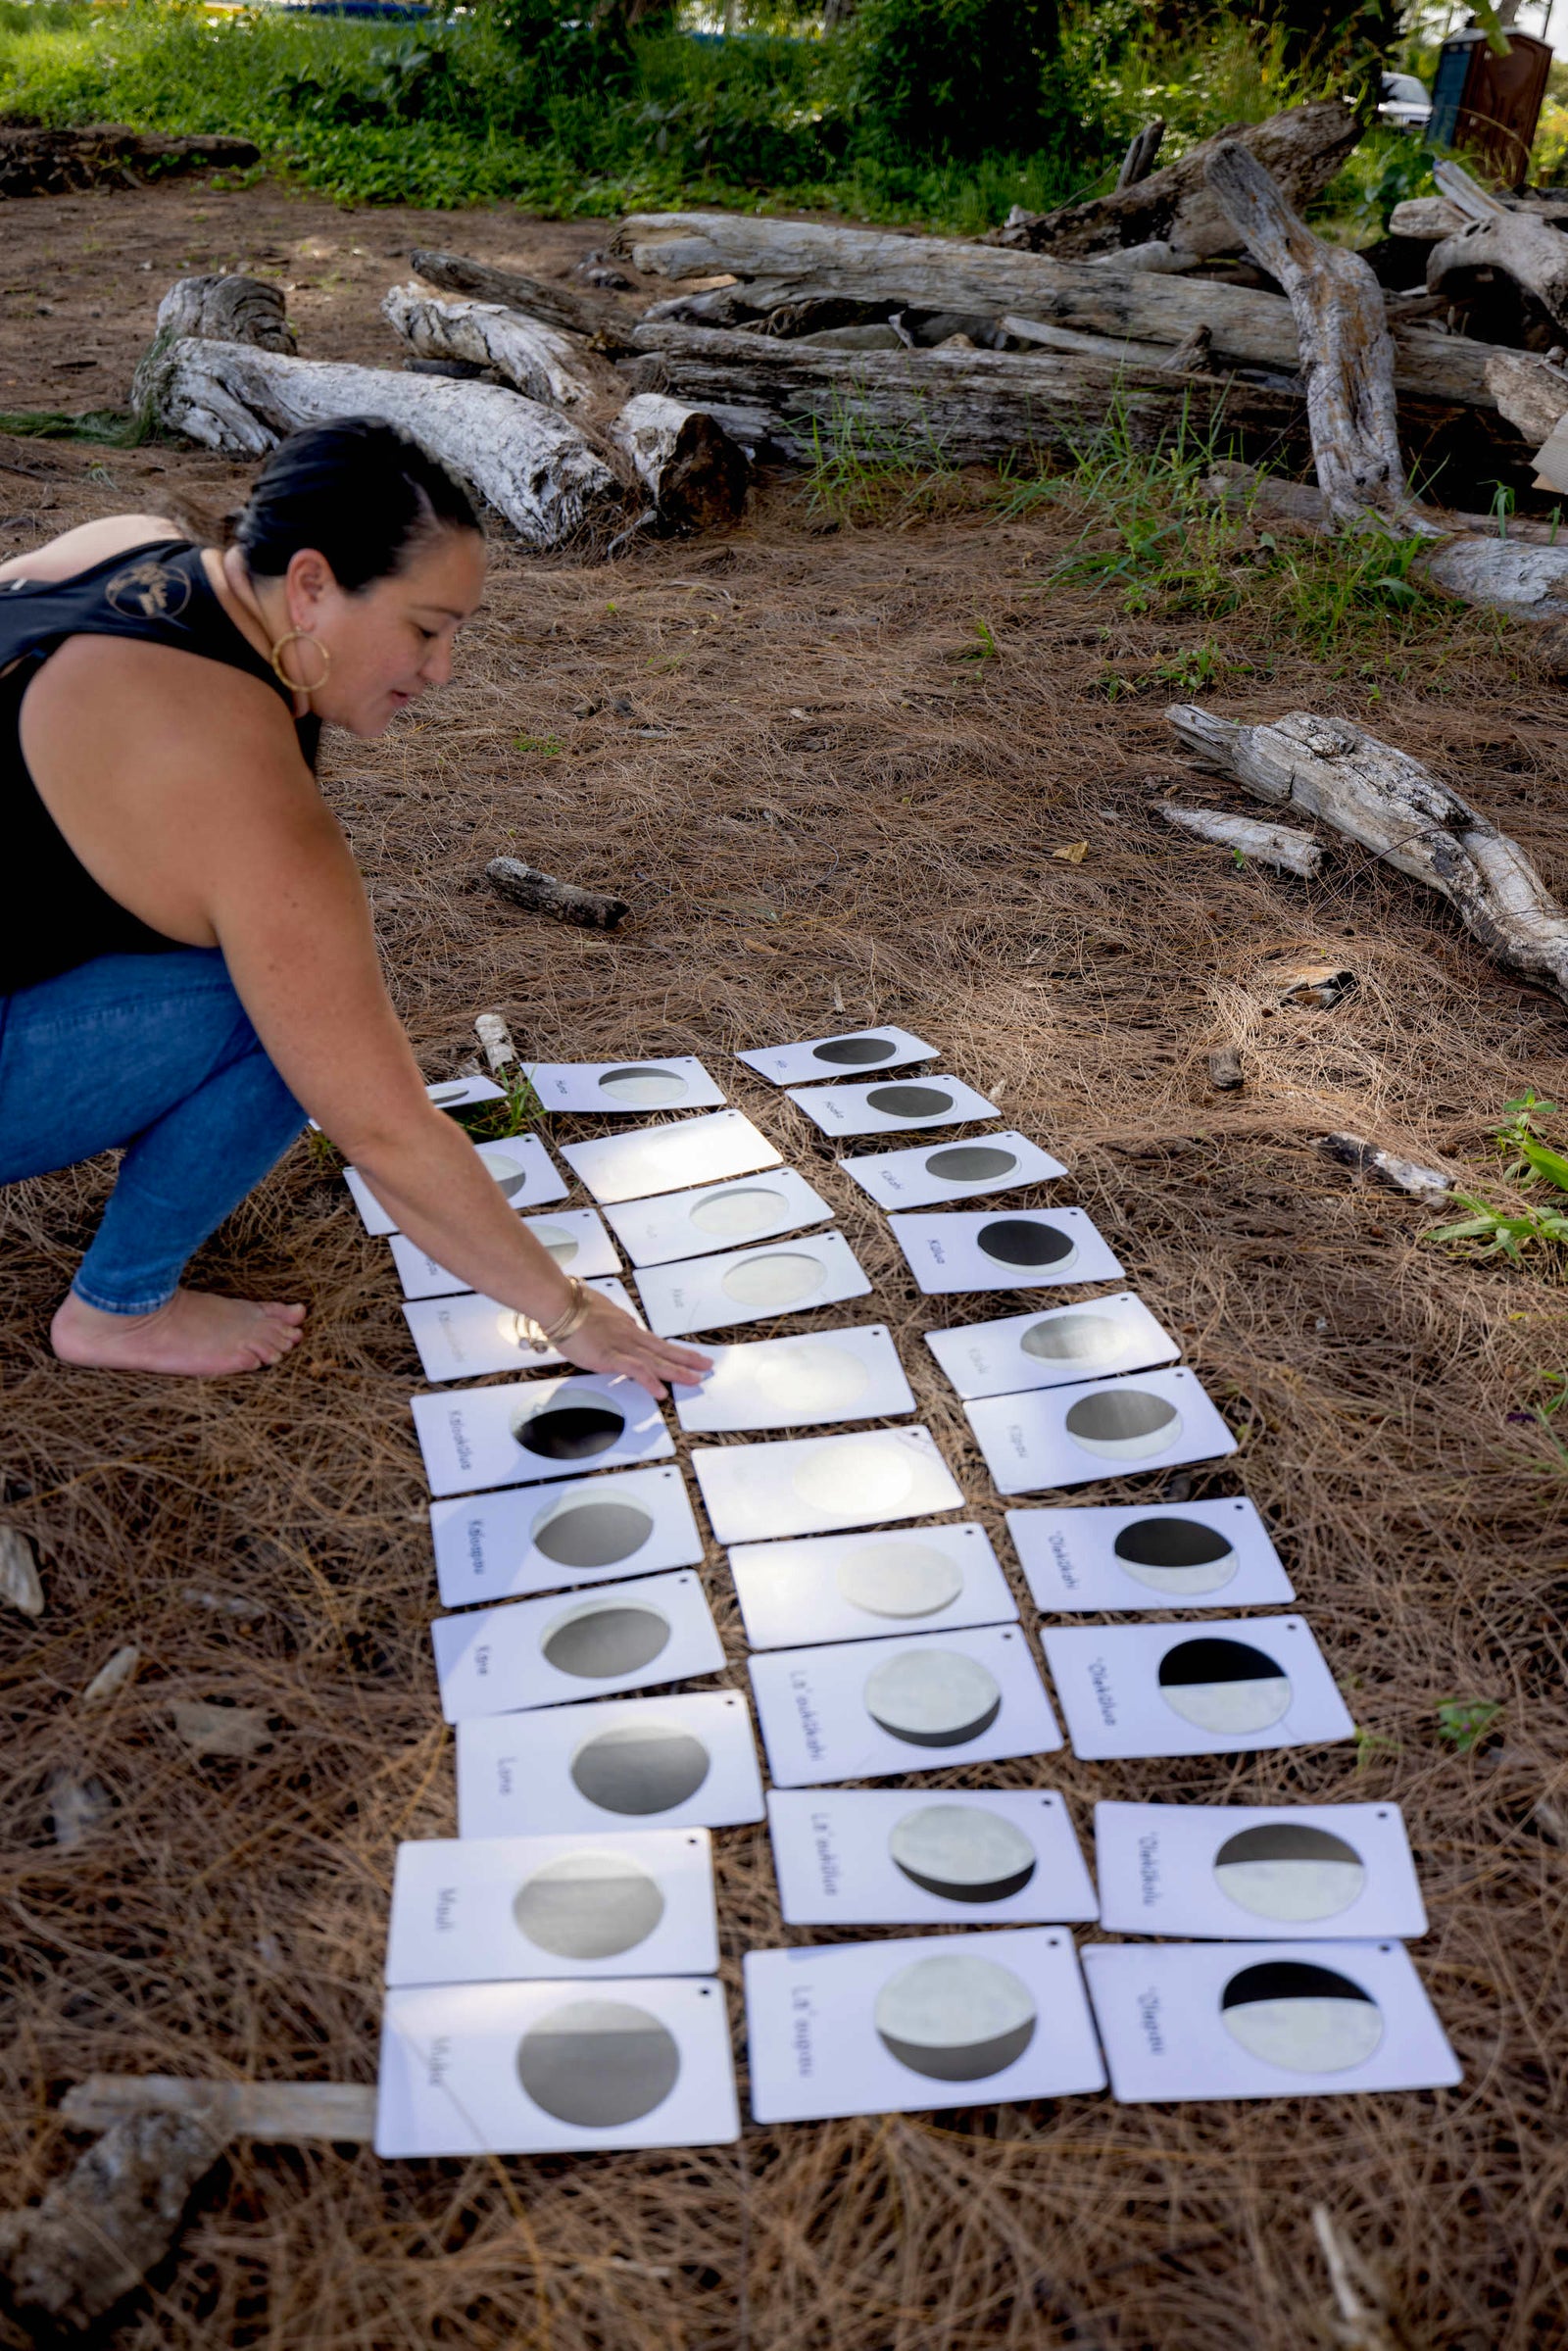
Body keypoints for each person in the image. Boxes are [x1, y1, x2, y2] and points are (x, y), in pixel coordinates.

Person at [0, 416, 710, 1396]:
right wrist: (570, 1311)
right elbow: (381, 1127)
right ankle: (121, 1306)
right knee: (282, 1007)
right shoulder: (238, 782)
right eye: (424, 628)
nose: (440, 671)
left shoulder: (115, 545)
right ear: (310, 584)